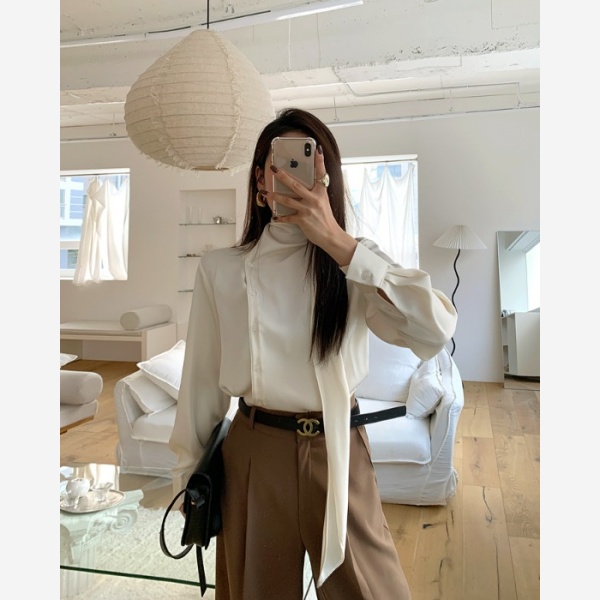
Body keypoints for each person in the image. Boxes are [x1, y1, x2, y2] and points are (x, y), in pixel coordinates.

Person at [169, 107, 457, 600]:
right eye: (277, 165)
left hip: (339, 447)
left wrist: (340, 244)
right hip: (254, 453)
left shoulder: (355, 262)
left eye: (304, 163)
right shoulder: (220, 268)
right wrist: (187, 477)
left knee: (374, 590)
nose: (289, 176)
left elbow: (434, 330)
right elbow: (200, 383)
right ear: (259, 182)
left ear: (326, 179)